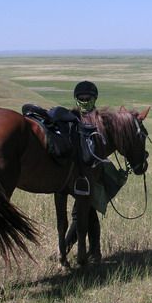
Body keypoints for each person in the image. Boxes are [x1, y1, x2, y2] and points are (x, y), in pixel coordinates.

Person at [66, 81, 102, 261]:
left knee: (82, 212)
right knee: (87, 212)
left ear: (94, 99)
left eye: (88, 99)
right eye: (81, 99)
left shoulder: (99, 119)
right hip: (78, 173)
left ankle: (66, 247)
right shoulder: (73, 118)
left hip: (92, 172)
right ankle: (94, 251)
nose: (85, 101)